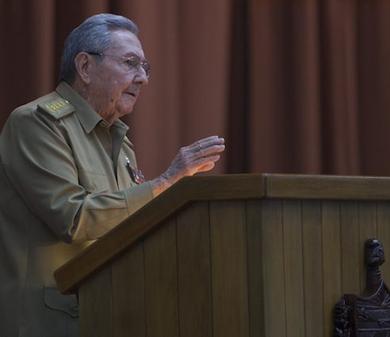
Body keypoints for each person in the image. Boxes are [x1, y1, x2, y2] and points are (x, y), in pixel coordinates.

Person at [0, 13, 225, 337]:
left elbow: (127, 228)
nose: (143, 78)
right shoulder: (37, 124)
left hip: (107, 313)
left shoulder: (118, 139)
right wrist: (165, 183)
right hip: (48, 322)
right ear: (85, 67)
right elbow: (74, 218)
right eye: (130, 63)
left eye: (145, 68)